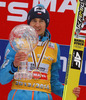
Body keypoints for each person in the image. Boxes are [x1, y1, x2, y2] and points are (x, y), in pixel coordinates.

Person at [0, 4, 80, 100]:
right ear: (29, 23)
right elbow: (2, 79)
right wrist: (14, 65)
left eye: (41, 21)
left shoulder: (54, 48)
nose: (37, 25)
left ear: (46, 24)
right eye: (34, 21)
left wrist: (69, 92)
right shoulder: (17, 43)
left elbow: (53, 83)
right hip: (19, 96)